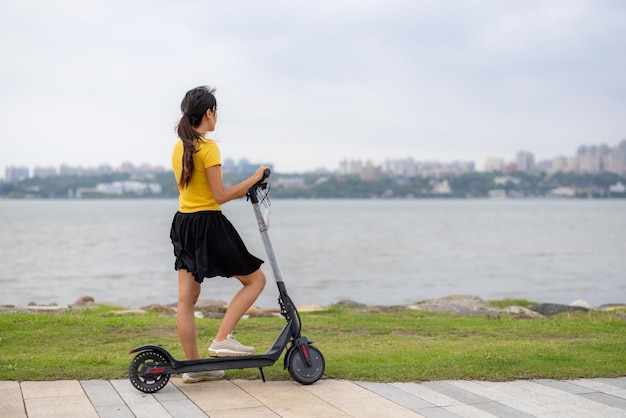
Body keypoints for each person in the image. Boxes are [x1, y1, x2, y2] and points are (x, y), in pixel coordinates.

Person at [170, 85, 269, 383]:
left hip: (183, 223)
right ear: (209, 113)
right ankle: (223, 338)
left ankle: (194, 369)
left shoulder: (180, 147)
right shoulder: (208, 148)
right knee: (256, 279)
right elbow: (220, 195)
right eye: (216, 112)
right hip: (208, 224)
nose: (217, 118)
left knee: (187, 299)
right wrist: (254, 178)